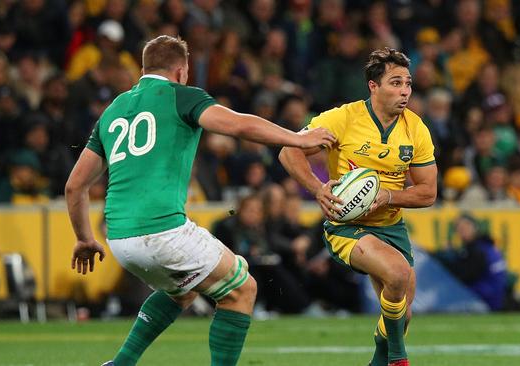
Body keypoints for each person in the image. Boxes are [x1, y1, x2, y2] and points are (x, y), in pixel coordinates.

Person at [64, 35, 335, 366]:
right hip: (161, 230)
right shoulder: (182, 97)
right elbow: (237, 124)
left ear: (143, 69)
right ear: (182, 71)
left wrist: (83, 238)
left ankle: (120, 363)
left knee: (184, 290)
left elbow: (74, 186)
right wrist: (297, 137)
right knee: (242, 289)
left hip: (119, 238)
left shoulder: (113, 110)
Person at [279, 47, 437, 366]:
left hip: (391, 227)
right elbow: (288, 150)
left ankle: (379, 362)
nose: (405, 91)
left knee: (401, 314)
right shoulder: (343, 118)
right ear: (373, 86)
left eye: (408, 83)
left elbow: (427, 193)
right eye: (395, 83)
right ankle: (399, 360)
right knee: (398, 273)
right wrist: (317, 189)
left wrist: (389, 196)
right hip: (347, 226)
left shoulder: (415, 128)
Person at [433, 213, 508, 311]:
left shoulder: (478, 251)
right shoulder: (486, 246)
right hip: (494, 299)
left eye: (464, 227)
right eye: (459, 228)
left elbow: (464, 274)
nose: (461, 231)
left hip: (483, 301)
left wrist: (445, 256)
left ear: (474, 227)